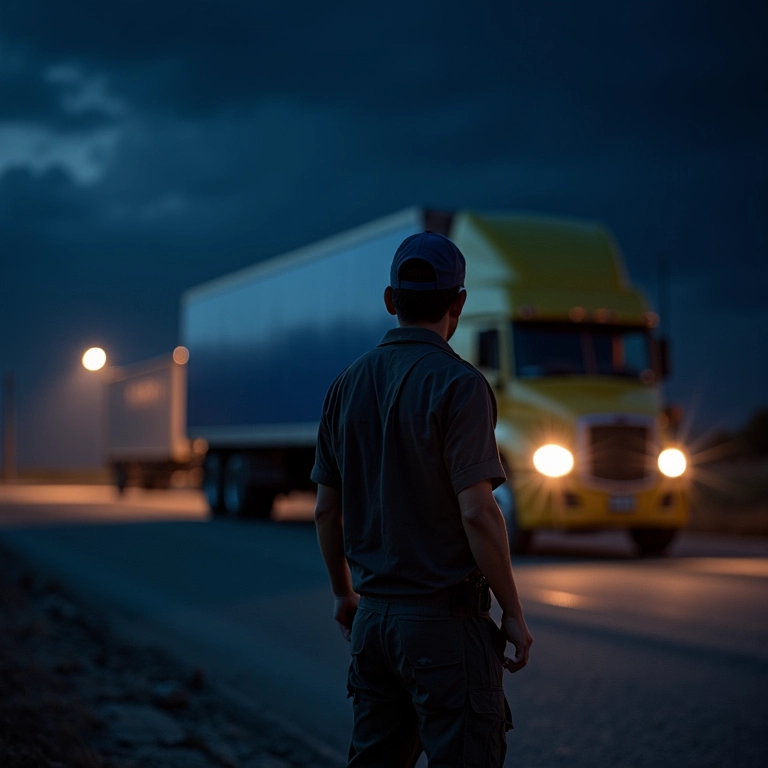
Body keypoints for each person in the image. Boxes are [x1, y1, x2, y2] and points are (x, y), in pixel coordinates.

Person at [312, 230, 533, 767]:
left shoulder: (346, 384)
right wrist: (513, 612)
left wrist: (344, 594)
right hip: (444, 631)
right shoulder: (460, 385)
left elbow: (325, 509)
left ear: (391, 301)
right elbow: (479, 512)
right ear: (458, 303)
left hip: (372, 626)